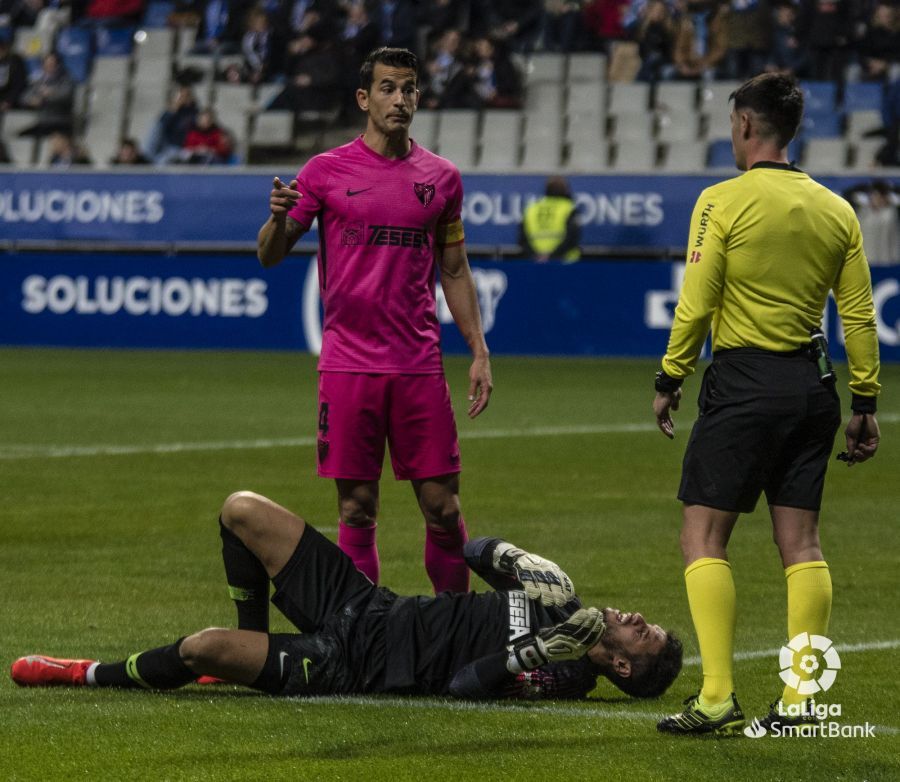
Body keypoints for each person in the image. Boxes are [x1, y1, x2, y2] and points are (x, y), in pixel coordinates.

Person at [651, 73, 881, 736]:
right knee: (802, 544)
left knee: (703, 535)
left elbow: (696, 300)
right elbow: (859, 313)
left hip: (745, 385)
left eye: (732, 126)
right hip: (814, 389)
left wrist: (671, 378)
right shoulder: (837, 209)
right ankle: (802, 700)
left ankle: (718, 696)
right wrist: (865, 399)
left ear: (747, 126)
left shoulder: (722, 201)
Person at [11, 490, 683, 701]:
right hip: (368, 605)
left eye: (642, 634)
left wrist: (531, 650)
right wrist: (514, 559)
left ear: (621, 666)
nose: (637, 617)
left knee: (197, 649)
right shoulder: (567, 605)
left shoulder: (565, 674)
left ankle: (85, 672)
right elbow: (468, 551)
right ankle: (243, 650)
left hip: (351, 662)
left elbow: (462, 687)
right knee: (240, 510)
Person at [256, 47, 493, 595]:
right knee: (357, 509)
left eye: (408, 88)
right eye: (387, 88)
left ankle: (453, 628)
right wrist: (273, 221)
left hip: (417, 366)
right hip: (348, 366)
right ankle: (361, 635)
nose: (400, 99)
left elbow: (454, 269)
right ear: (364, 98)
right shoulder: (323, 172)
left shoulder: (442, 179)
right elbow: (271, 253)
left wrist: (478, 350)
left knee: (443, 508)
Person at [520, 176, 581, 263]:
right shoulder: (568, 208)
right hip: (566, 262)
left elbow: (522, 239)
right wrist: (552, 256)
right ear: (566, 190)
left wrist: (536, 256)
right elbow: (573, 237)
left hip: (537, 262)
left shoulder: (532, 208)